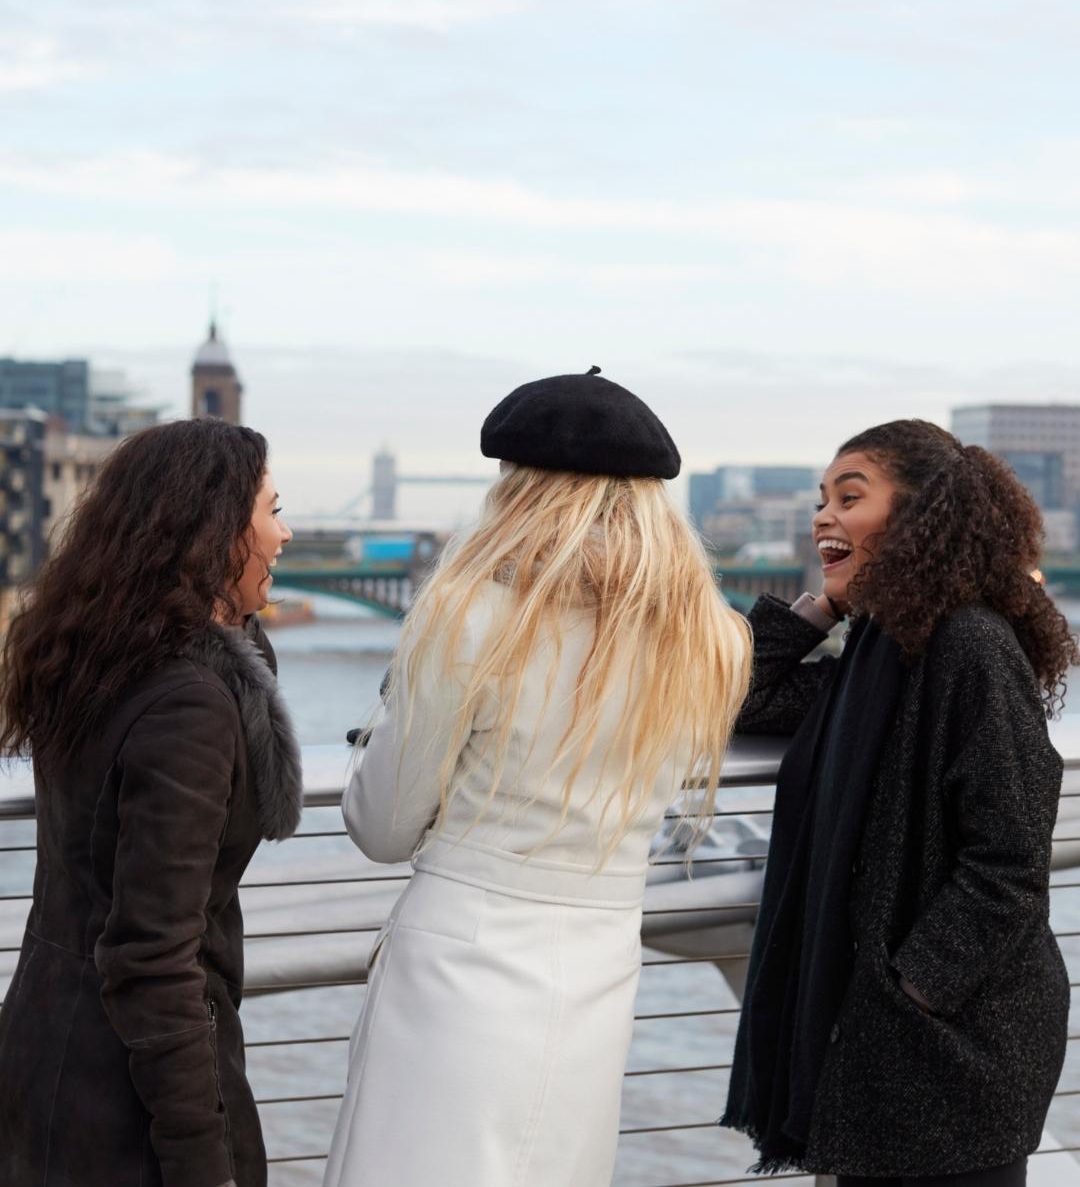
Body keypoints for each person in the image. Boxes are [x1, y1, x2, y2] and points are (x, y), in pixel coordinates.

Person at [323, 368, 752, 1187]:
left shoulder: (470, 615)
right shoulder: (710, 641)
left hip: (457, 968)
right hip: (599, 968)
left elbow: (381, 828)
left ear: (519, 491)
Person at [722, 419, 1078, 1186]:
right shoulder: (878, 653)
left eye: (849, 496)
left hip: (957, 1044)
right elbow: (743, 703)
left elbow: (1010, 861)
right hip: (894, 1042)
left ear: (921, 517)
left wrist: (906, 989)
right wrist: (822, 609)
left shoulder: (970, 647)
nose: (823, 516)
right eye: (821, 500)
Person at [0, 418, 302, 1187]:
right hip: (126, 1099)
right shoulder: (190, 706)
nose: (285, 534)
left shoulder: (101, 657)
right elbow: (153, 958)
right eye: (271, 510)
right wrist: (205, 1157)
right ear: (215, 532)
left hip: (44, 1046)